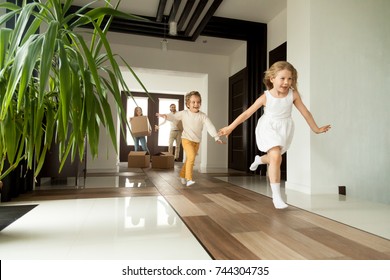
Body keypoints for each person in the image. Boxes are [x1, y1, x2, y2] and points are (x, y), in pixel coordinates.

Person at [218, 61, 331, 209]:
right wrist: (230, 127)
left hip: (284, 128)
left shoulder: (293, 94)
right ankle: (277, 197)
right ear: (272, 79)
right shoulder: (266, 97)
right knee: (277, 156)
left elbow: (305, 113)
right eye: (282, 78)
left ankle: (259, 159)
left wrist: (315, 129)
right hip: (268, 127)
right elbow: (246, 113)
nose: (286, 82)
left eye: (289, 79)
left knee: (274, 158)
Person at [156, 91, 224, 187]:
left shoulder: (203, 116)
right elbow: (174, 116)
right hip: (186, 139)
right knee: (191, 157)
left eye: (198, 102)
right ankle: (189, 178)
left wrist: (216, 137)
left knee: (189, 160)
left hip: (197, 142)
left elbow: (210, 126)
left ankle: (182, 175)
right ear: (188, 104)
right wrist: (166, 116)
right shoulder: (184, 113)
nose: (196, 104)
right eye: (193, 102)